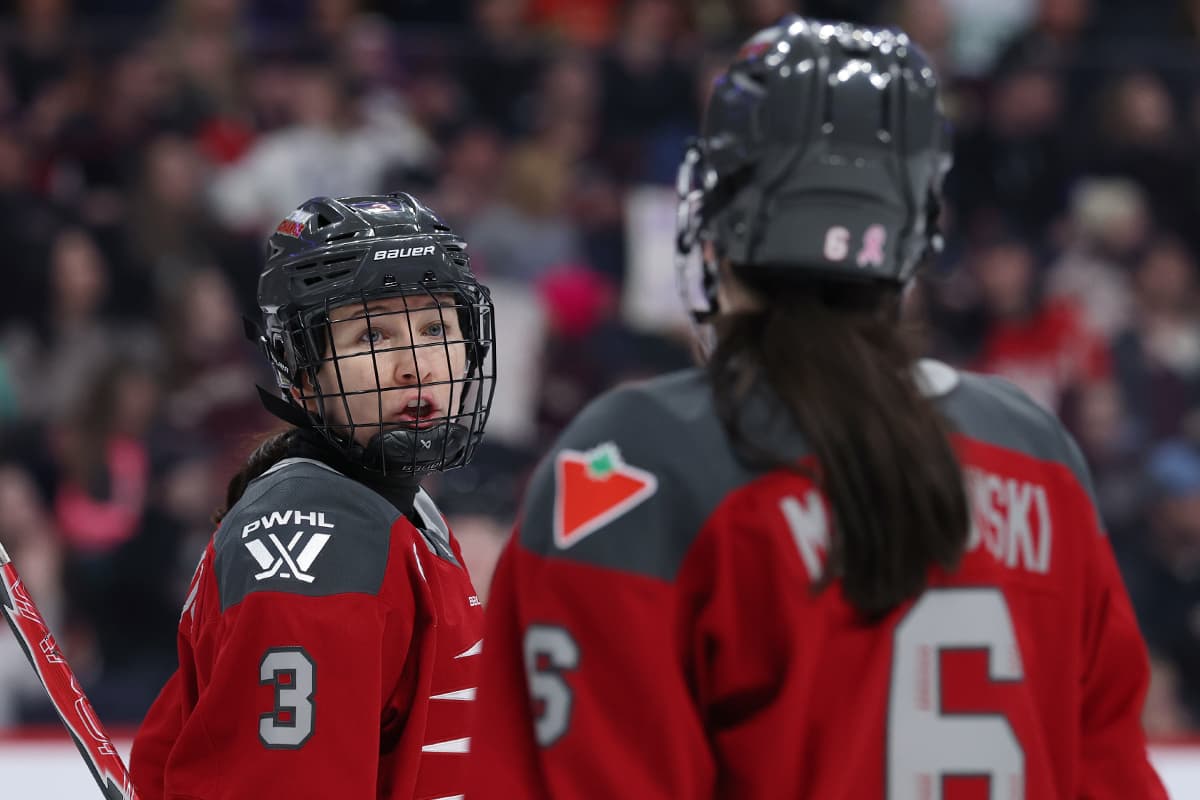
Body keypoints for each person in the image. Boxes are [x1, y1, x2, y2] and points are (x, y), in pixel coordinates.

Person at [468, 18, 1167, 799]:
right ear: (919, 226)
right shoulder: (1033, 450)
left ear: (716, 212)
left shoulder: (638, 458)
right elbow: (1111, 774)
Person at [131, 192, 496, 799]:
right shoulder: (318, 544)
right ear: (302, 371)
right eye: (373, 337)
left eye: (436, 326)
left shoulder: (392, 507)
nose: (417, 364)